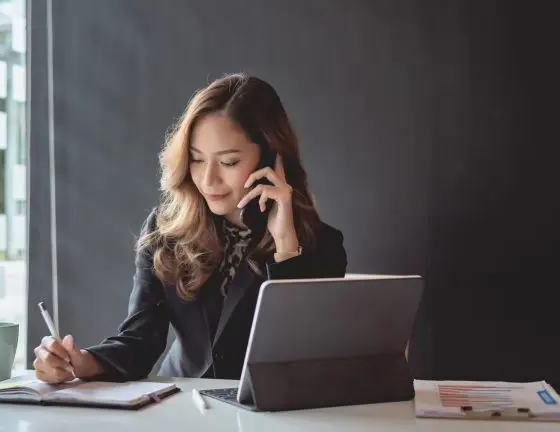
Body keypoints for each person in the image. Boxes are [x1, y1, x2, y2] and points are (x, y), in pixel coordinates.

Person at [33, 73, 347, 383]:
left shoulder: (322, 245)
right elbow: (139, 340)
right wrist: (81, 362)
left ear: (271, 159)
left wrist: (286, 249)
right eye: (197, 160)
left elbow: (301, 359)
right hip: (181, 407)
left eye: (228, 162)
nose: (208, 180)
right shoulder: (165, 230)